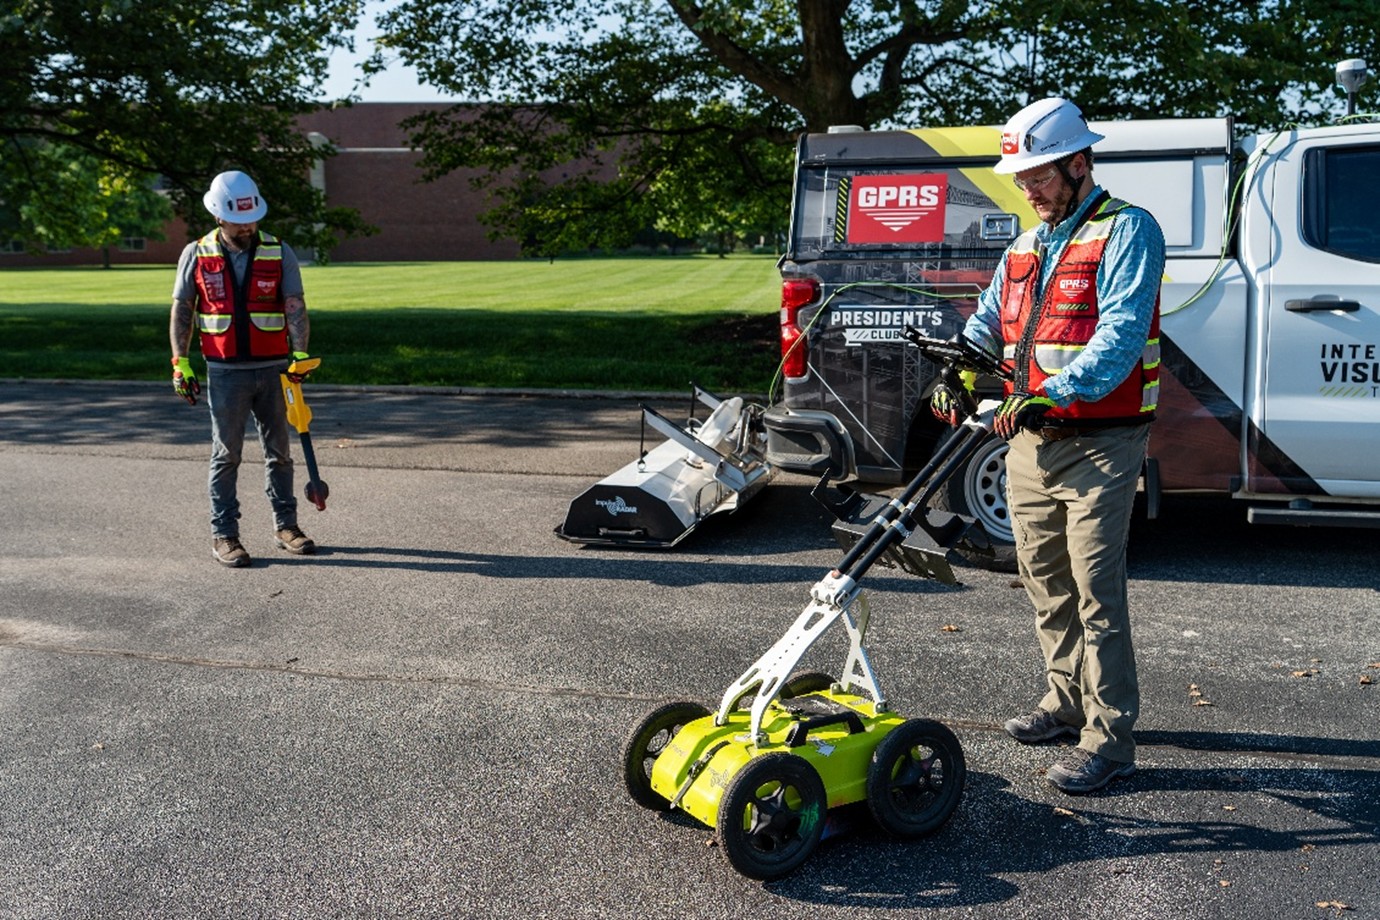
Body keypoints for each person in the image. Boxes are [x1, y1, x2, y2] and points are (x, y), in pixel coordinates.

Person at [931, 97, 1164, 793]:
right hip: (1030, 443)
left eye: (1038, 176)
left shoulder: (1129, 232)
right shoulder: (1026, 245)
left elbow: (1120, 337)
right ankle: (1065, 703)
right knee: (1044, 582)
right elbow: (988, 322)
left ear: (1078, 163)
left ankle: (1110, 738)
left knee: (1096, 591)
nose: (1027, 189)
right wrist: (957, 368)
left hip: (1102, 442)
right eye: (1020, 178)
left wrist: (1053, 391)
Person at [169, 170, 317, 568]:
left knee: (280, 453)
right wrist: (180, 362)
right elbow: (183, 309)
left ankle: (287, 527)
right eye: (239, 219)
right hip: (224, 371)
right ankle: (225, 535)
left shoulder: (277, 250)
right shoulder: (196, 254)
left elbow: (294, 305)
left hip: (273, 370)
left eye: (252, 218)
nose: (248, 226)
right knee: (226, 454)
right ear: (219, 216)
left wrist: (299, 354)